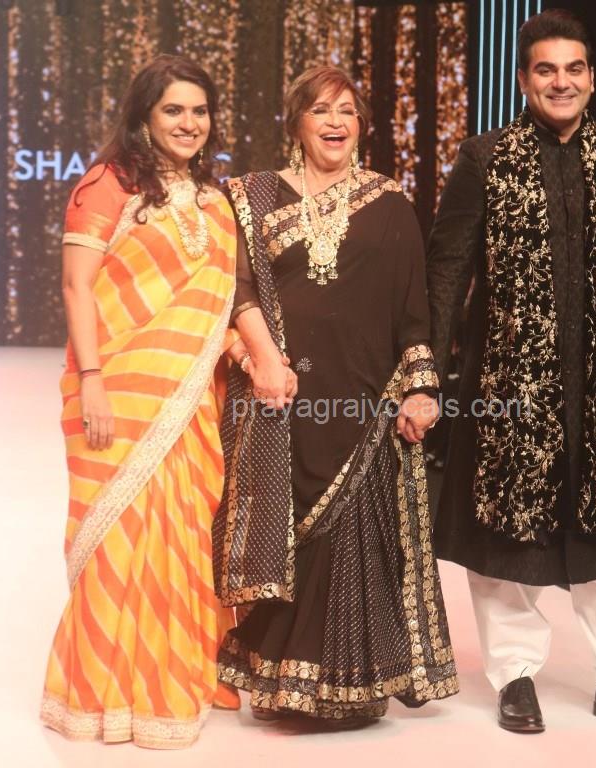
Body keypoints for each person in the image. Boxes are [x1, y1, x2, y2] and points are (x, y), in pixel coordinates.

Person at [427, 9, 596, 732]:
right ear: (523, 80)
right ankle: (515, 676)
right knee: (505, 529)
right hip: (511, 384)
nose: (561, 81)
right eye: (545, 69)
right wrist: (424, 373)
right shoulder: (485, 158)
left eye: (573, 68)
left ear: (592, 78)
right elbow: (447, 269)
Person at [212, 65, 458, 727]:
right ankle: (280, 680)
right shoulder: (253, 196)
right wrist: (261, 360)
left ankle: (350, 688)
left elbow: (413, 308)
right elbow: (237, 288)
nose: (335, 122)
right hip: (281, 393)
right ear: (296, 121)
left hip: (365, 397)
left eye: (347, 110)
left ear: (361, 125)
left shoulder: (389, 202)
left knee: (350, 537)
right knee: (288, 532)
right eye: (320, 109)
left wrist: (422, 386)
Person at [41, 55, 241, 749]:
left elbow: (219, 301)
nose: (189, 123)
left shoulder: (214, 198)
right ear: (144, 117)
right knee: (119, 536)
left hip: (190, 396)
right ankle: (103, 693)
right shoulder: (108, 183)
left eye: (199, 111)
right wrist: (92, 378)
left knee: (182, 534)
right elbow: (76, 286)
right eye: (173, 111)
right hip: (119, 386)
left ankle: (172, 682)